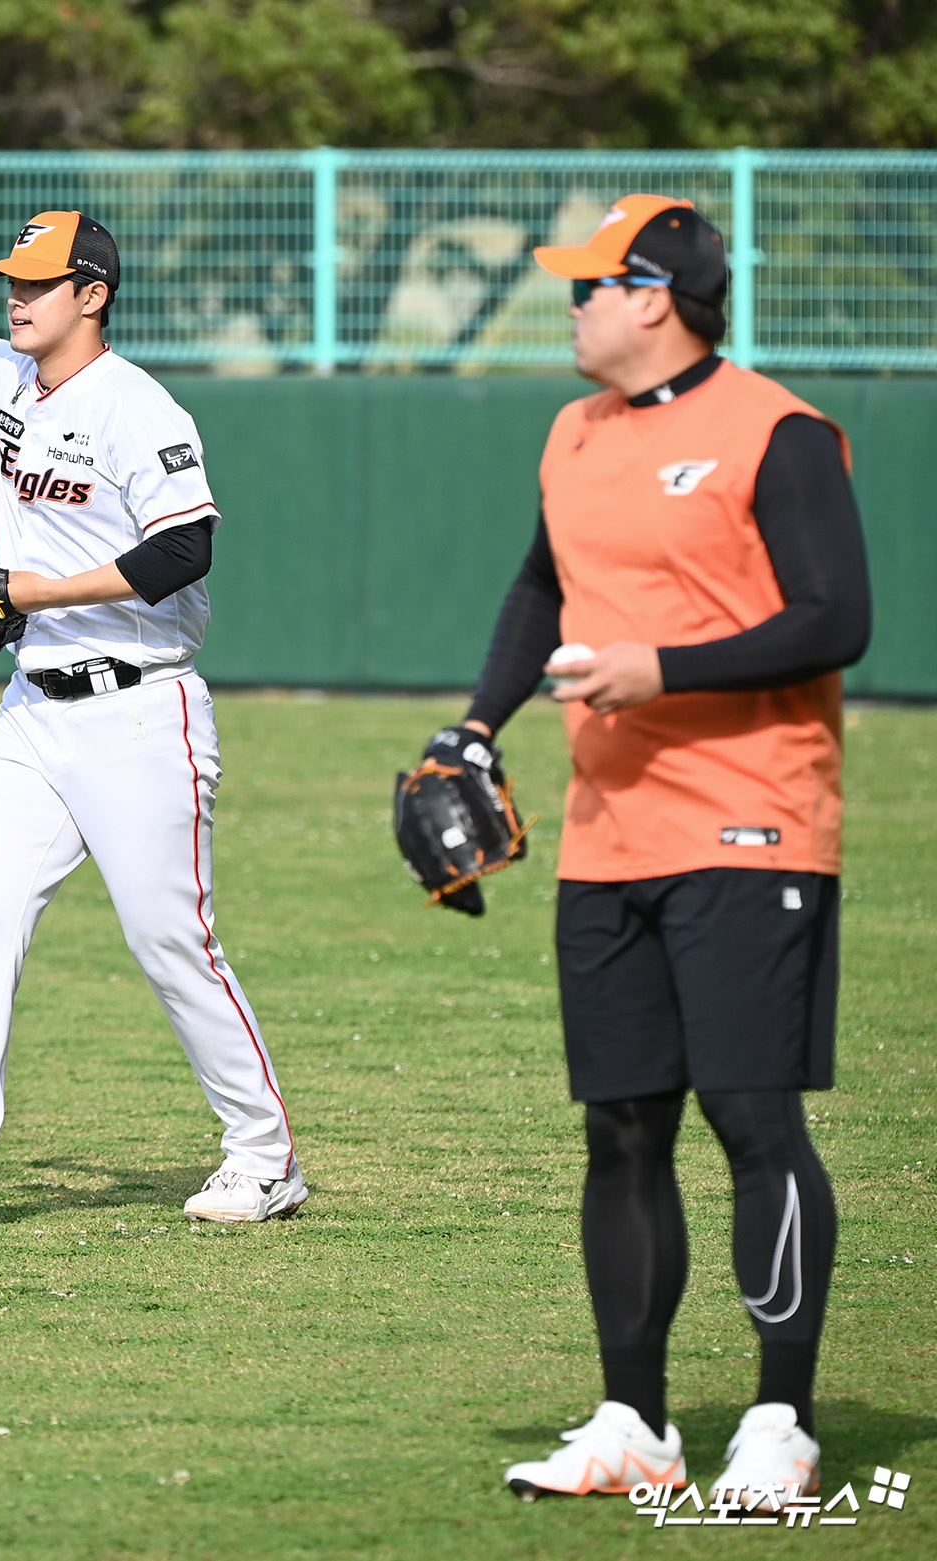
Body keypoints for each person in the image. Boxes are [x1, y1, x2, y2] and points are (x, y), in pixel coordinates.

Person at [455, 195, 870, 1503]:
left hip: (752, 818)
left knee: (752, 1117)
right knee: (621, 1129)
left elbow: (837, 617)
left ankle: (779, 1425)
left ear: (654, 297)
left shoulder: (776, 430)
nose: (570, 304)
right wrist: (472, 731)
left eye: (589, 285)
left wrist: (661, 667)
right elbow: (541, 588)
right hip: (609, 832)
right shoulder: (573, 434)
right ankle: (633, 1419)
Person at [0, 121, 306, 1229]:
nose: (17, 298)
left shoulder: (137, 408)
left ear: (91, 294)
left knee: (171, 943)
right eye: (11, 280)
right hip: (33, 715)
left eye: (40, 284)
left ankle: (264, 1156)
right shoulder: (3, 379)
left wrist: (22, 590)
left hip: (141, 711)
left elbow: (185, 548)